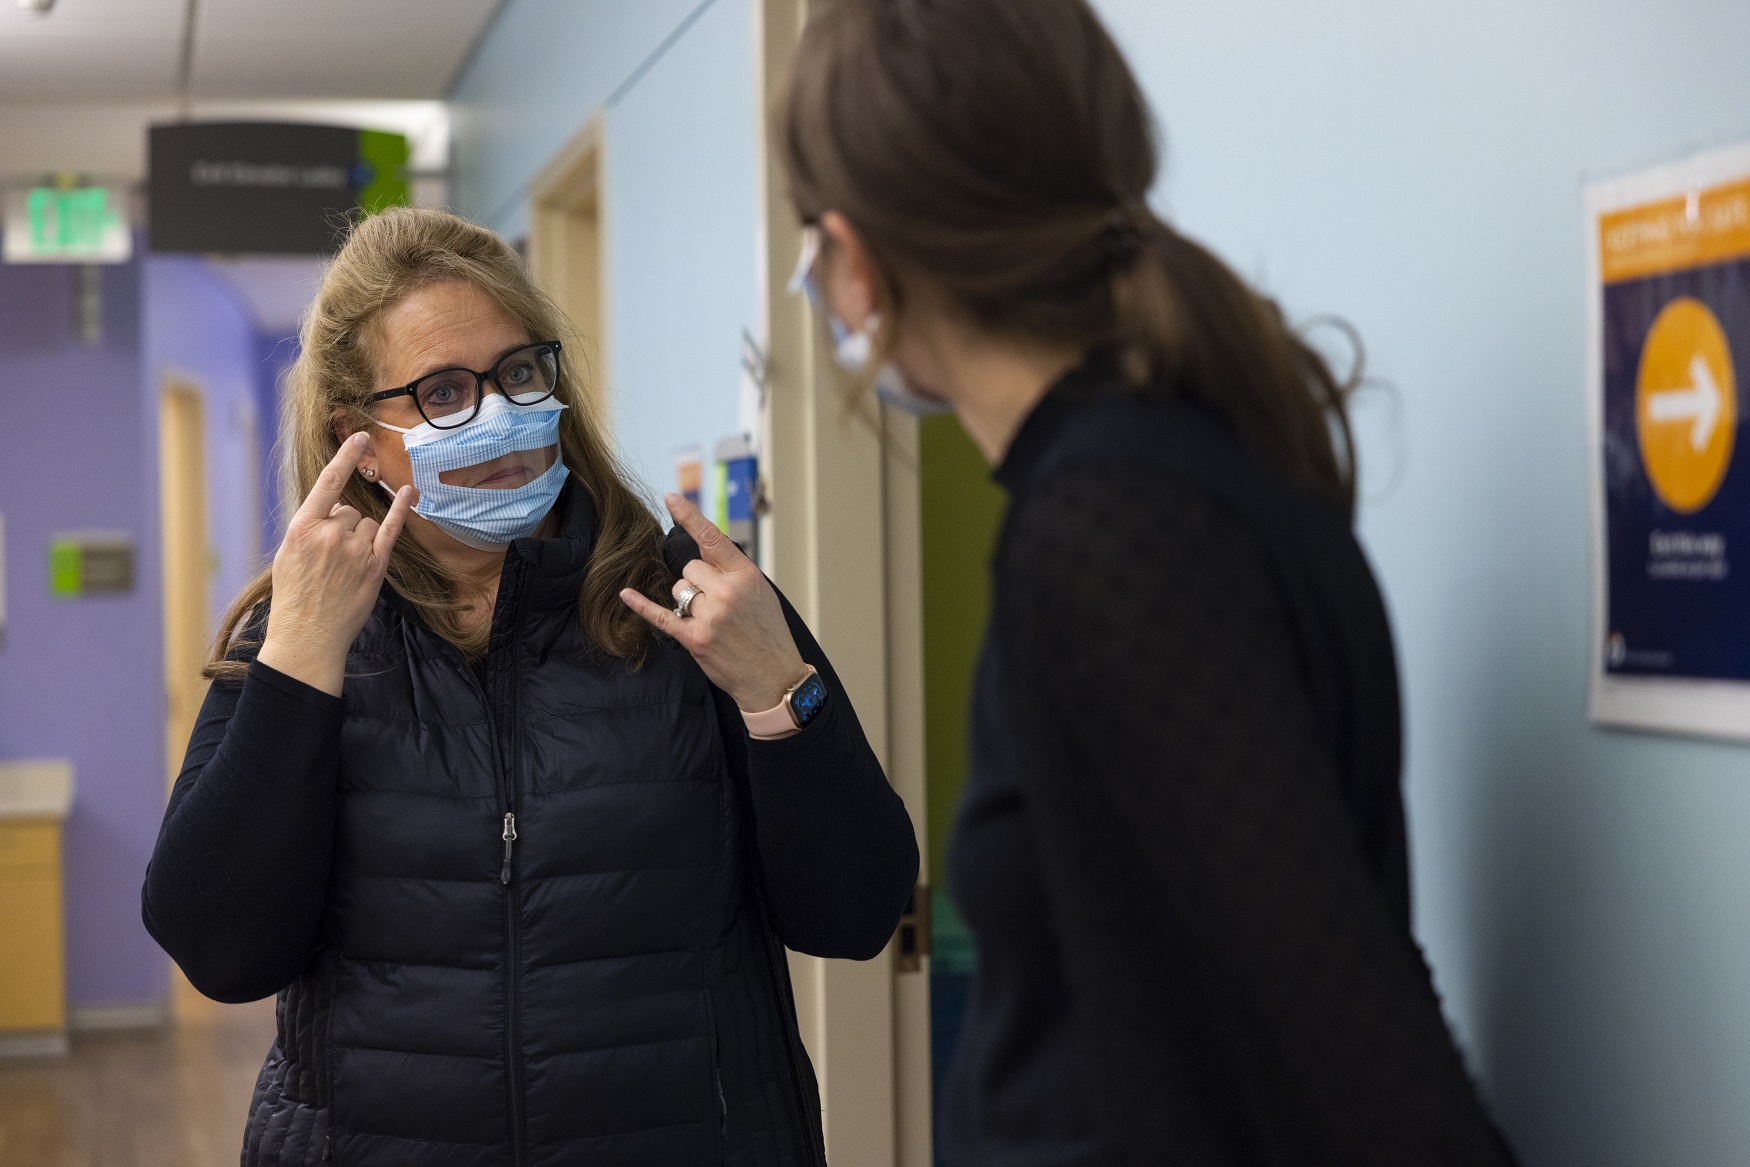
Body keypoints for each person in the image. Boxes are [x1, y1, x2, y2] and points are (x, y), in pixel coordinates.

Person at [781, 1, 1522, 1164]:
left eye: (811, 254)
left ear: (854, 259)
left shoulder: (1114, 524)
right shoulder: (1185, 463)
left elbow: (1350, 1039)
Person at [141, 206, 917, 1167]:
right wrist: (300, 664)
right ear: (363, 439)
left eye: (517, 373)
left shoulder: (694, 603)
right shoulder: (300, 634)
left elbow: (857, 911)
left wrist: (780, 693)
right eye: (445, 391)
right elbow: (219, 949)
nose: (501, 416)